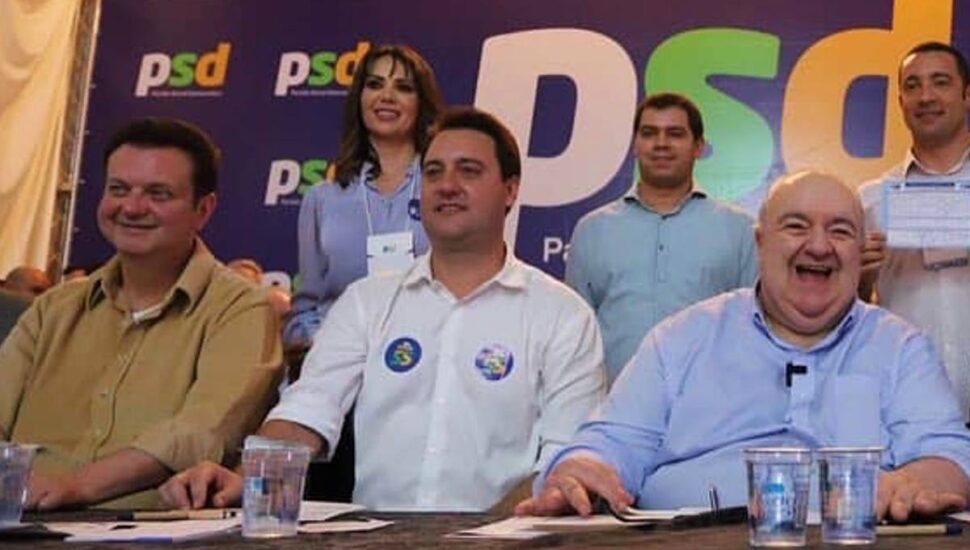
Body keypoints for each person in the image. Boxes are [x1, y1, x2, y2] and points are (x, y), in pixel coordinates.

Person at [158, 107, 606, 512]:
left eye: (468, 171)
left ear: (509, 190)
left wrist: (480, 536)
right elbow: (308, 410)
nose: (447, 185)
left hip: (506, 541)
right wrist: (243, 478)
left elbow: (563, 461)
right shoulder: (367, 302)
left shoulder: (561, 314)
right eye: (433, 172)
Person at [521, 171, 970, 522]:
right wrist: (584, 468)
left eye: (840, 231)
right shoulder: (681, 338)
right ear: (761, 242)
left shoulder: (901, 347)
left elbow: (950, 459)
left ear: (861, 251)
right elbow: (612, 441)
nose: (819, 246)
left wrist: (918, 479)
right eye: (796, 226)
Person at [0, 118, 282, 510]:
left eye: (158, 194)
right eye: (118, 189)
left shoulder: (241, 309)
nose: (131, 207)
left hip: (148, 528)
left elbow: (202, 431)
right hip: (20, 520)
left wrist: (74, 487)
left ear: (203, 209)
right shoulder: (53, 308)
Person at [566, 93, 757, 382]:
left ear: (699, 147)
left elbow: (753, 328)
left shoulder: (739, 229)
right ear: (635, 145)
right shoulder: (592, 230)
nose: (661, 144)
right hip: (615, 401)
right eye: (649, 133)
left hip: (710, 401)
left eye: (675, 134)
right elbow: (575, 333)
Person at [283, 44, 444, 356]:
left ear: (421, 103)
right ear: (359, 98)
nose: (386, 96)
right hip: (339, 365)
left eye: (403, 87)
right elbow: (303, 313)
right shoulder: (322, 199)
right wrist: (329, 346)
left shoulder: (444, 192)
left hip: (426, 361)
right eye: (374, 84)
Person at [858, 42, 970, 420]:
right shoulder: (869, 199)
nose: (926, 96)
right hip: (908, 409)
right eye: (912, 85)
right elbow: (849, 309)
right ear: (900, 102)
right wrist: (859, 280)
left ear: (967, 95)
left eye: (940, 82)